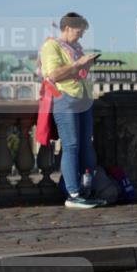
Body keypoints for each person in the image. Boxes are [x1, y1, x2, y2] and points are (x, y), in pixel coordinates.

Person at [40, 12, 103, 209]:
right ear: (67, 28)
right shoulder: (51, 46)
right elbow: (52, 75)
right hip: (65, 100)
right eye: (79, 31)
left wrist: (87, 66)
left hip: (83, 99)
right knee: (71, 145)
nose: (81, 35)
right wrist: (78, 63)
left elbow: (79, 74)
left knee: (85, 146)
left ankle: (86, 191)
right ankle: (73, 194)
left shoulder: (77, 48)